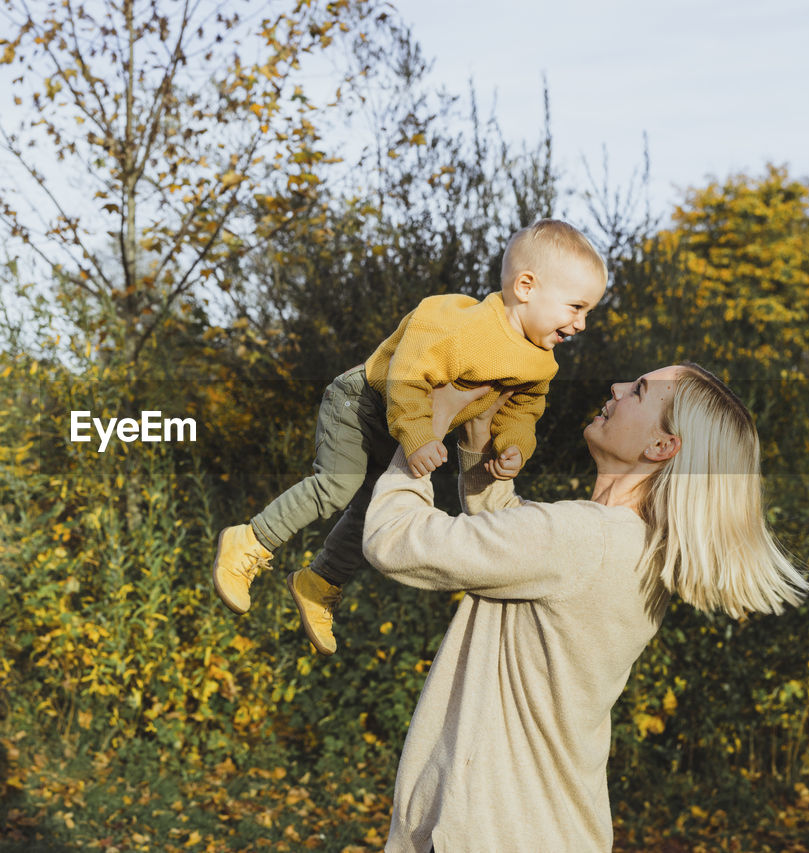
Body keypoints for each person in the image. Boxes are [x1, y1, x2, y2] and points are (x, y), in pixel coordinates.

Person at [362, 364, 809, 852]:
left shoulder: (585, 537)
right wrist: (478, 438)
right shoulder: (632, 546)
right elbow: (514, 548)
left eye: (639, 391)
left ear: (662, 447)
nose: (616, 388)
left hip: (492, 833)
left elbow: (393, 540)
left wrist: (421, 434)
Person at [213, 218, 609, 655]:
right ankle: (250, 539)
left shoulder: (539, 363)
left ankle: (319, 582)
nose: (582, 324)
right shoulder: (461, 326)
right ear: (526, 286)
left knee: (372, 512)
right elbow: (406, 375)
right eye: (576, 307)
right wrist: (420, 435)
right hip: (363, 405)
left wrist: (514, 447)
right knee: (338, 486)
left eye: (588, 312)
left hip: (401, 432)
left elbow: (523, 411)